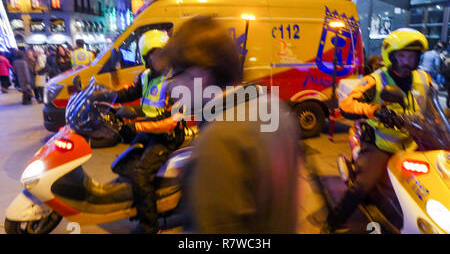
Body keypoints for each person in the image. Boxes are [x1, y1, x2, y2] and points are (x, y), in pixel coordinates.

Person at [159, 15, 301, 233]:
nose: (170, 87)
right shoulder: (274, 108)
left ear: (201, 75)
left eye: (174, 75)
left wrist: (203, 168)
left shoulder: (218, 141)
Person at [320, 28, 432, 233]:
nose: (407, 61)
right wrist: (376, 111)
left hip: (412, 141)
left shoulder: (424, 79)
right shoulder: (375, 80)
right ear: (390, 56)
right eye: (402, 56)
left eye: (412, 56)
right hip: (380, 143)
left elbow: (433, 109)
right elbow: (347, 104)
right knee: (364, 184)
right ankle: (332, 222)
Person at [88, 29, 183, 234]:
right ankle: (146, 200)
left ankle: (150, 227)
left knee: (141, 174)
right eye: (154, 54)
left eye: (162, 53)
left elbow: (169, 121)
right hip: (150, 131)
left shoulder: (174, 80)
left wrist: (134, 125)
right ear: (147, 57)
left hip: (167, 136)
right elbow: (127, 93)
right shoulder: (147, 76)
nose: (159, 59)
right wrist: (99, 96)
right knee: (125, 164)